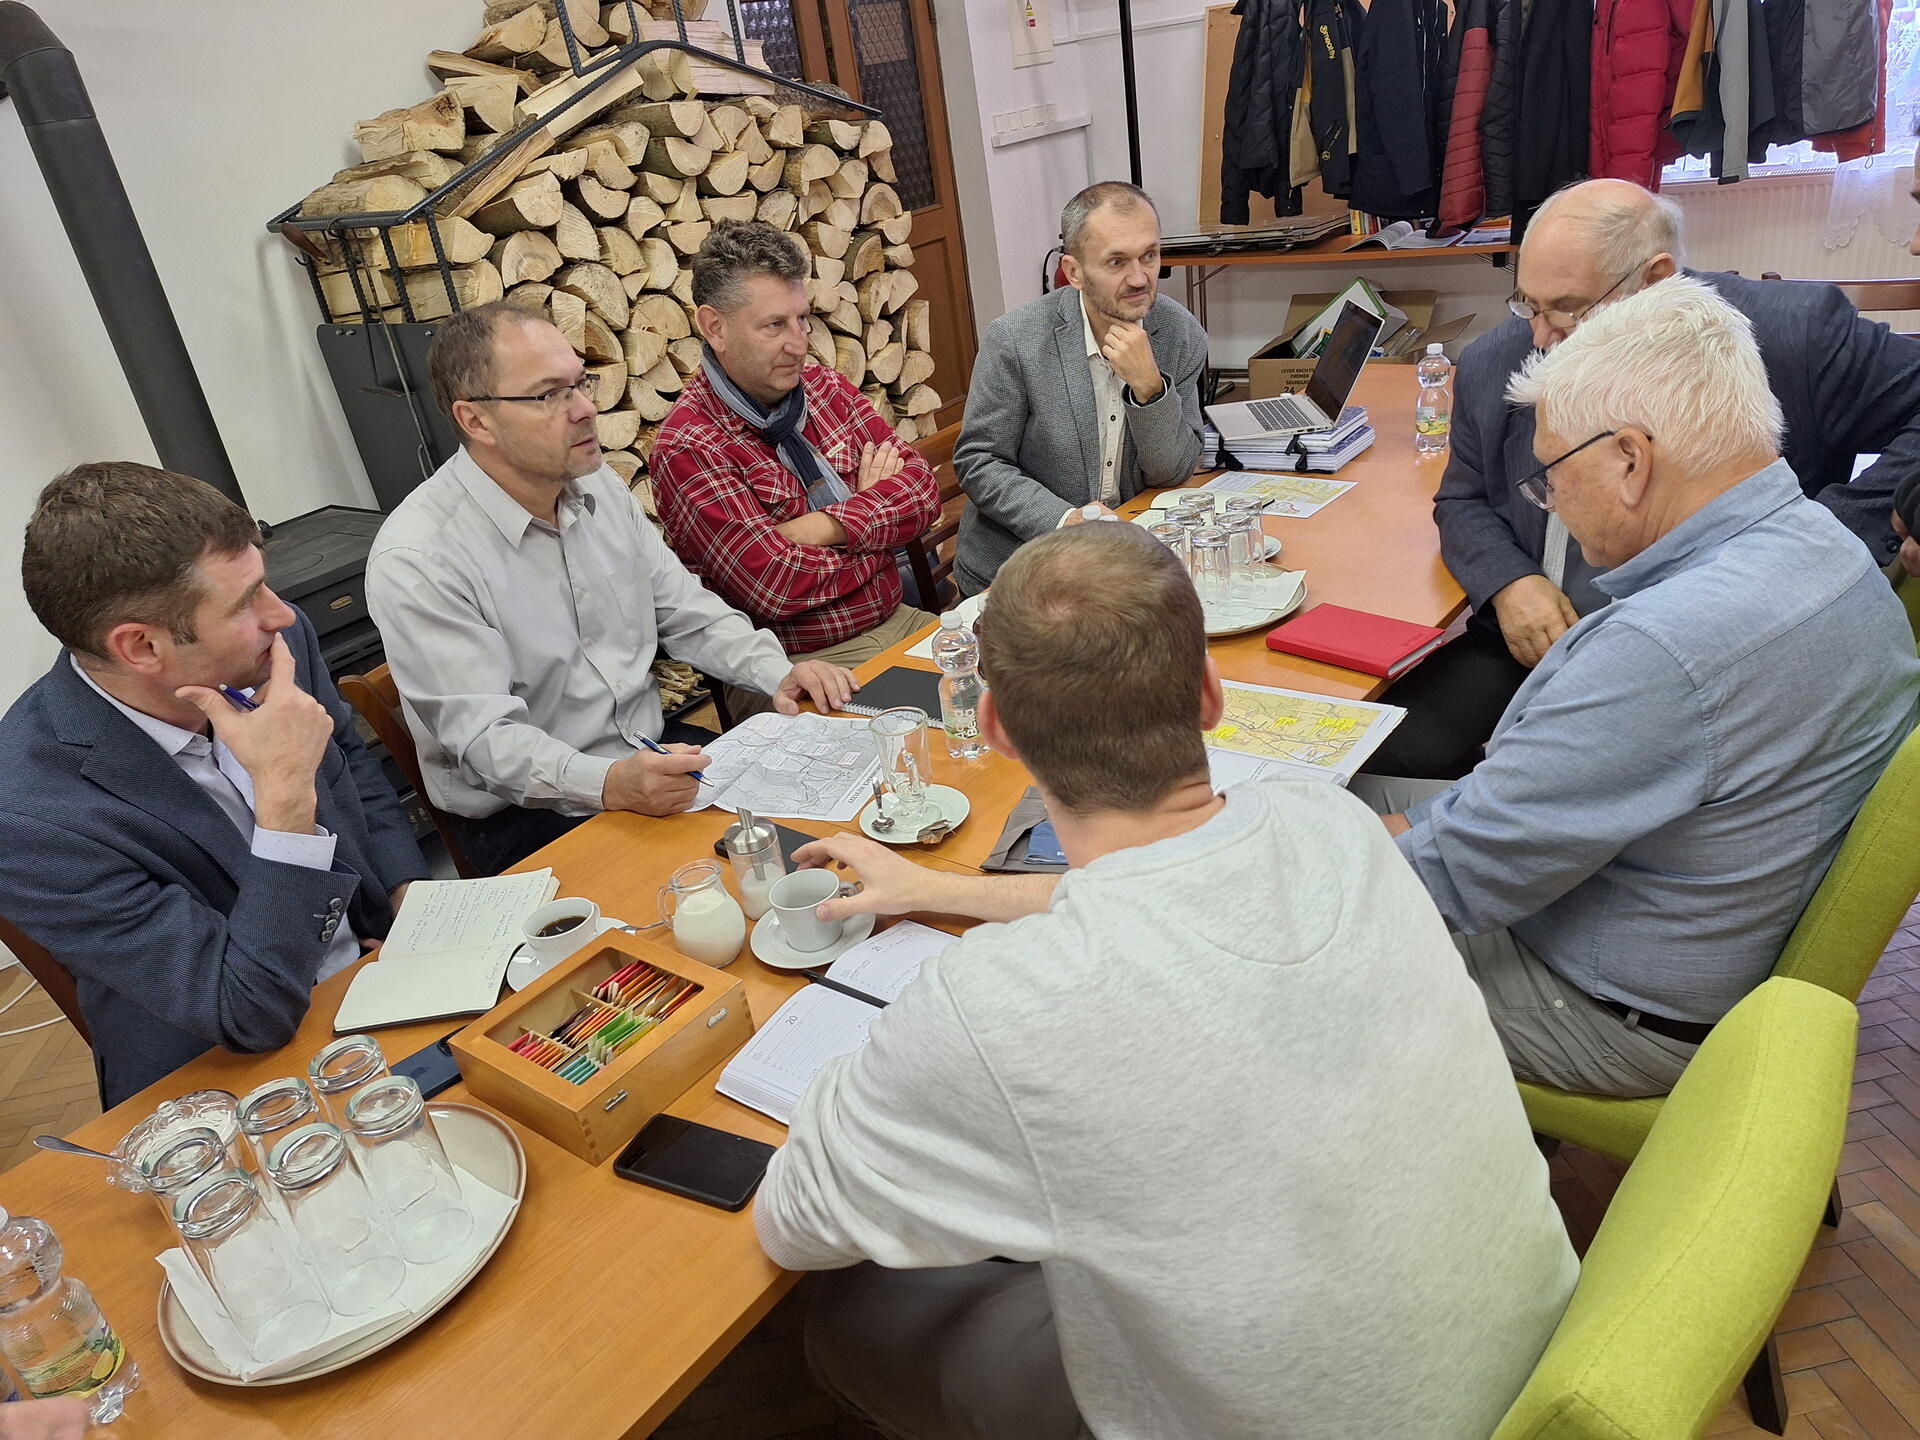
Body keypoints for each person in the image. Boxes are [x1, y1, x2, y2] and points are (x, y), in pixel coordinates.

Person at [758, 523, 1578, 1440]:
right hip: (1526, 1361)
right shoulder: (1332, 822)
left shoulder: (994, 1010)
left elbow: (793, 1222)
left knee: (857, 1316)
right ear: (1210, 694)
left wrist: (874, 1066)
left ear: (995, 730)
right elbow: (1165, 887)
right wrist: (943, 891)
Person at [1351, 278, 1920, 1098]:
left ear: (1629, 459)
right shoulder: (1826, 547)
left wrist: (1267, 868)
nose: (1549, 501)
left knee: (1264, 948)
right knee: (1347, 791)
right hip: (1704, 939)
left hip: (1603, 1010)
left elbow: (1456, 874)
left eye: (1551, 473)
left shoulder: (1665, 646)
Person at [1368, 177, 1920, 778]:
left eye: (1568, 308)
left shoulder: (1797, 332)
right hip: (1548, 633)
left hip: (1733, 651)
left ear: (1655, 279)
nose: (1541, 337)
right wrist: (1511, 584)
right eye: (1527, 303)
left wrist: (1828, 536)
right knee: (1383, 754)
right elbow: (1463, 498)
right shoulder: (1494, 360)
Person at [365, 302, 857, 874]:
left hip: (646, 753)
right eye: (550, 394)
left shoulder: (596, 482)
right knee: (739, 893)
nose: (585, 409)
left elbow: (684, 610)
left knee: (830, 846)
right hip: (528, 812)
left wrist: (776, 671)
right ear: (476, 421)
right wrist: (610, 784)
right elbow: (488, 742)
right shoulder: (420, 558)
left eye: (581, 383)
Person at [0, 464, 429, 1107]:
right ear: (141, 646)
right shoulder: (29, 818)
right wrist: (284, 797)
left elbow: (345, 758)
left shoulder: (272, 644)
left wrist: (404, 896)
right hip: (224, 1083)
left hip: (376, 976)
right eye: (244, 602)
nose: (280, 613)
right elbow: (243, 1011)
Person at [650, 222, 942, 718]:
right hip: (800, 668)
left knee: (1017, 701)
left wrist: (823, 527)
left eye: (802, 319)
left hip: (899, 620)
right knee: (942, 740)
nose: (799, 344)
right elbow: (777, 586)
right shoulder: (690, 446)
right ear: (714, 327)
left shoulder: (821, 385)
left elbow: (922, 493)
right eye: (774, 326)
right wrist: (877, 528)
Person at [952, 181, 1208, 594]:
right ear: (1074, 272)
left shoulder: (1179, 333)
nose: (1140, 278)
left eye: (1149, 256)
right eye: (1116, 262)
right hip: (1020, 569)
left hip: (1125, 565)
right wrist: (1064, 521)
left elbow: (1173, 472)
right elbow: (980, 462)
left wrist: (1150, 387)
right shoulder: (1015, 339)